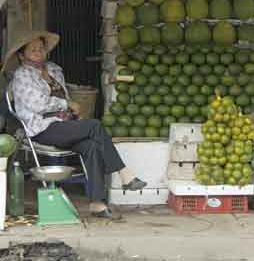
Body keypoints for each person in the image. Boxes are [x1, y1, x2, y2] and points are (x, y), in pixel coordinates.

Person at [2, 30, 147, 219]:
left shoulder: (53, 69)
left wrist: (71, 110)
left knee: (92, 146)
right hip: (43, 128)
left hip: (64, 125)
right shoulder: (22, 76)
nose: (38, 51)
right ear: (22, 56)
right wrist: (66, 104)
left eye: (41, 48)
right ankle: (124, 173)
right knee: (95, 126)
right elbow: (38, 104)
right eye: (32, 49)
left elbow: (65, 95)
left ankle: (97, 203)